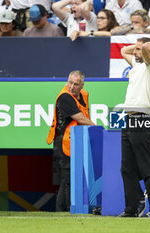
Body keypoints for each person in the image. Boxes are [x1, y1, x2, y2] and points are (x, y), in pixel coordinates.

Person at [119, 37, 150, 218]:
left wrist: (149, 45)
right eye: (135, 49)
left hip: (142, 118)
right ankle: (131, 208)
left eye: (138, 50)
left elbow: (145, 48)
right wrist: (137, 46)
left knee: (146, 166)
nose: (135, 52)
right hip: (127, 118)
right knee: (126, 168)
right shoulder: (137, 66)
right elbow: (123, 51)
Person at [46, 70, 95, 211]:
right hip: (64, 142)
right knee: (68, 179)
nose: (72, 87)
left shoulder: (84, 95)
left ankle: (66, 209)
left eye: (76, 84)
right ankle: (66, 210)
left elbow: (85, 115)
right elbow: (80, 118)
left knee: (72, 178)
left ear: (82, 85)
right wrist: (97, 128)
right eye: (70, 83)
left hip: (77, 141)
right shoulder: (65, 97)